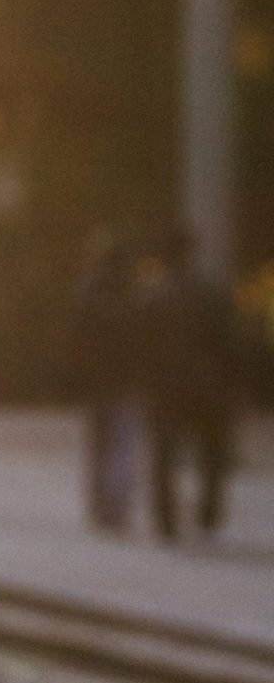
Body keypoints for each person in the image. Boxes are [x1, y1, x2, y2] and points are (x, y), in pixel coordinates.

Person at [138, 226, 239, 541]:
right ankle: (208, 515)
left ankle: (166, 521)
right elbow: (231, 343)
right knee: (213, 454)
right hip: (208, 385)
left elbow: (139, 347)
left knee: (163, 455)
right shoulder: (212, 293)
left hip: (165, 387)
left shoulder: (153, 296)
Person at [64, 233, 144, 532]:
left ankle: (99, 505)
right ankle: (115, 506)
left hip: (97, 380)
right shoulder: (132, 293)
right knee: (122, 444)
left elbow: (75, 339)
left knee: (99, 443)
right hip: (125, 378)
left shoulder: (86, 292)